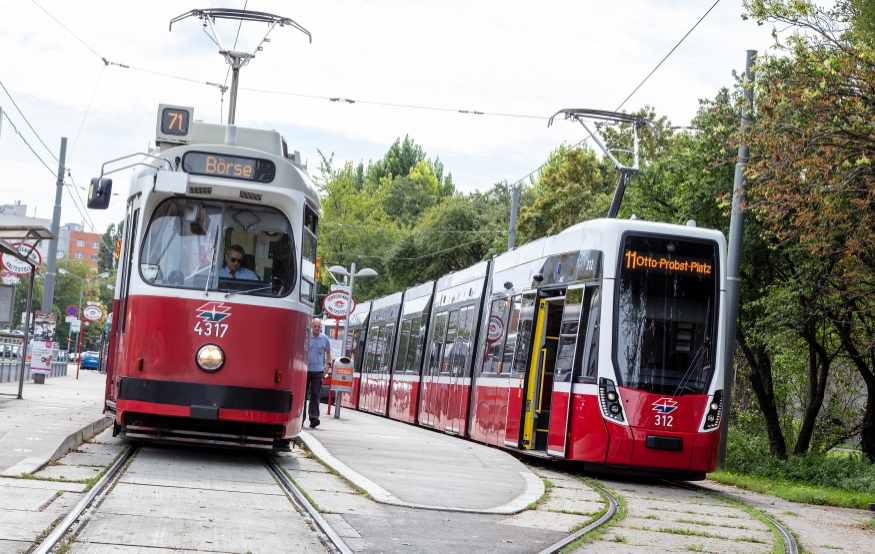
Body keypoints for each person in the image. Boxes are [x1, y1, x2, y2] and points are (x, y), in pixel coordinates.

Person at [307, 318, 332, 428]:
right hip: (306, 369)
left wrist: (328, 364)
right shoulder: (307, 337)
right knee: (303, 395)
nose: (317, 328)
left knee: (315, 394)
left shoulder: (324, 339)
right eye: (315, 326)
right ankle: (300, 418)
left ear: (321, 327)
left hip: (318, 370)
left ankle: (314, 418)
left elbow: (328, 353)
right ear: (311, 326)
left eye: (319, 326)